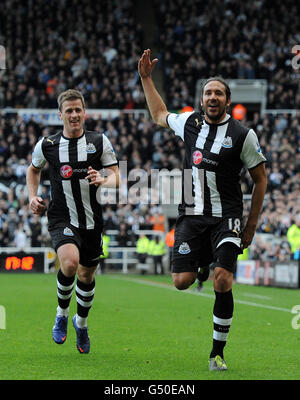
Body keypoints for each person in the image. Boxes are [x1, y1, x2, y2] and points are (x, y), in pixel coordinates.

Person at [138, 49, 267, 371]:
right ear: (202, 98)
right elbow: (158, 115)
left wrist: (250, 226)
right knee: (181, 281)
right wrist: (145, 79)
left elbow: (261, 180)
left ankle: (217, 353)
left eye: (218, 93)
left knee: (223, 280)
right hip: (192, 215)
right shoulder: (190, 123)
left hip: (227, 218)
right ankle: (202, 264)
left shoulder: (242, 136)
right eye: (208, 92)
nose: (212, 97)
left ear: (227, 100)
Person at [26, 89, 120, 354]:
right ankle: (62, 314)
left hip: (92, 220)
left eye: (78, 109)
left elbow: (116, 175)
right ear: (61, 115)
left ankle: (81, 323)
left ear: (84, 112)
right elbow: (33, 170)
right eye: (69, 110)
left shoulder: (99, 142)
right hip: (61, 216)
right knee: (69, 263)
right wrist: (32, 197)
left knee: (87, 275)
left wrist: (104, 180)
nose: (74, 114)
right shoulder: (48, 145)